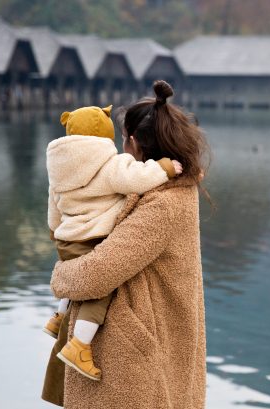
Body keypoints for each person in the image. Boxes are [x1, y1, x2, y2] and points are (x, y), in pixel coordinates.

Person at [41, 80, 208, 409]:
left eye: (122, 138)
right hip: (141, 349)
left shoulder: (165, 203)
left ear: (133, 141)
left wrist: (59, 275)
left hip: (134, 361)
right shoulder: (152, 189)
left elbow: (96, 273)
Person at [43, 104, 183, 381]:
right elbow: (137, 179)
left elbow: (54, 206)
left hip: (66, 238)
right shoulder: (110, 165)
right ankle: (80, 346)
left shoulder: (58, 171)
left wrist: (55, 231)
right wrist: (164, 167)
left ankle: (58, 317)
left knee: (75, 279)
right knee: (97, 291)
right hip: (93, 237)